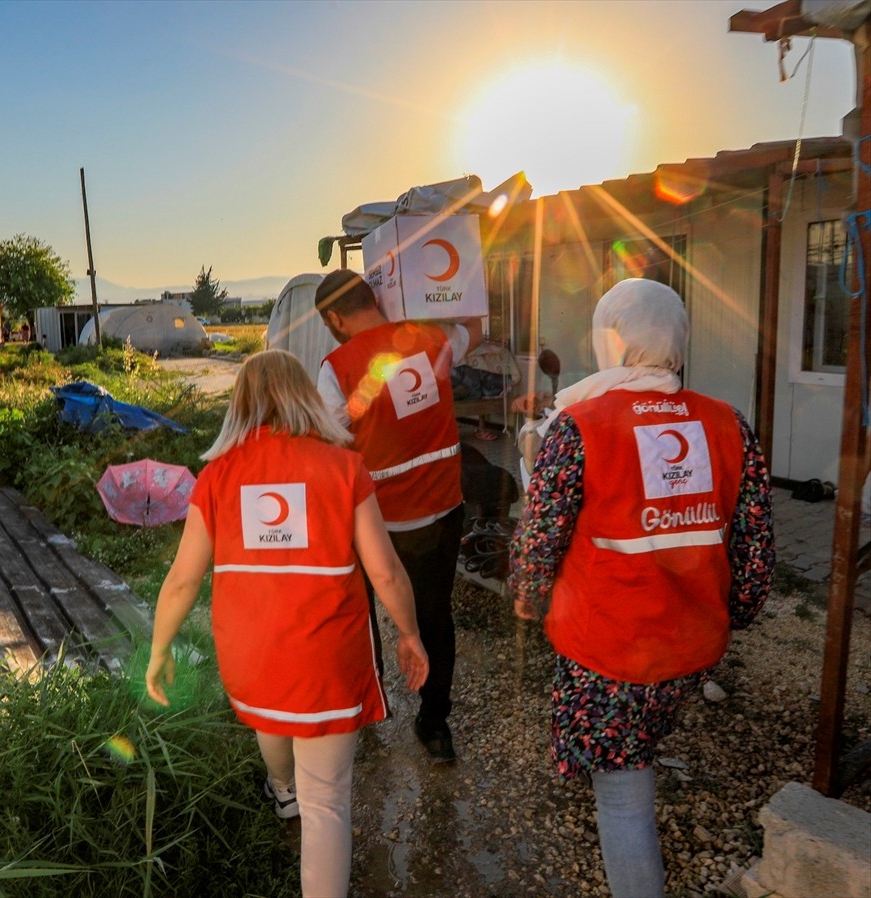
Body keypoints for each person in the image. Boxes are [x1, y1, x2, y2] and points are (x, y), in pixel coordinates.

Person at [507, 278, 775, 898]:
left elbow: (541, 536)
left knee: (623, 793)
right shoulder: (729, 422)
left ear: (612, 341)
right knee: (640, 739)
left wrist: (527, 599)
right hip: (692, 645)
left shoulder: (579, 426)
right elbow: (755, 549)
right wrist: (738, 611)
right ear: (678, 339)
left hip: (610, 649)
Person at [146, 349, 429, 898]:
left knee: (271, 721)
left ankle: (281, 788)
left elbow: (182, 581)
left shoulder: (217, 476)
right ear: (303, 396)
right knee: (328, 805)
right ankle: (297, 802)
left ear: (241, 404)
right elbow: (387, 573)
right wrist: (410, 633)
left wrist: (159, 650)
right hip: (326, 659)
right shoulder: (345, 467)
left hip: (250, 655)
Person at [313, 268, 482, 763]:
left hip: (376, 523)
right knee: (435, 617)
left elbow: (328, 444)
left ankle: (371, 707)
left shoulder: (337, 367)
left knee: (362, 617)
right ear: (377, 299)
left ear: (334, 318)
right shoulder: (431, 338)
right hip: (442, 508)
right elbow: (476, 323)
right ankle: (434, 728)